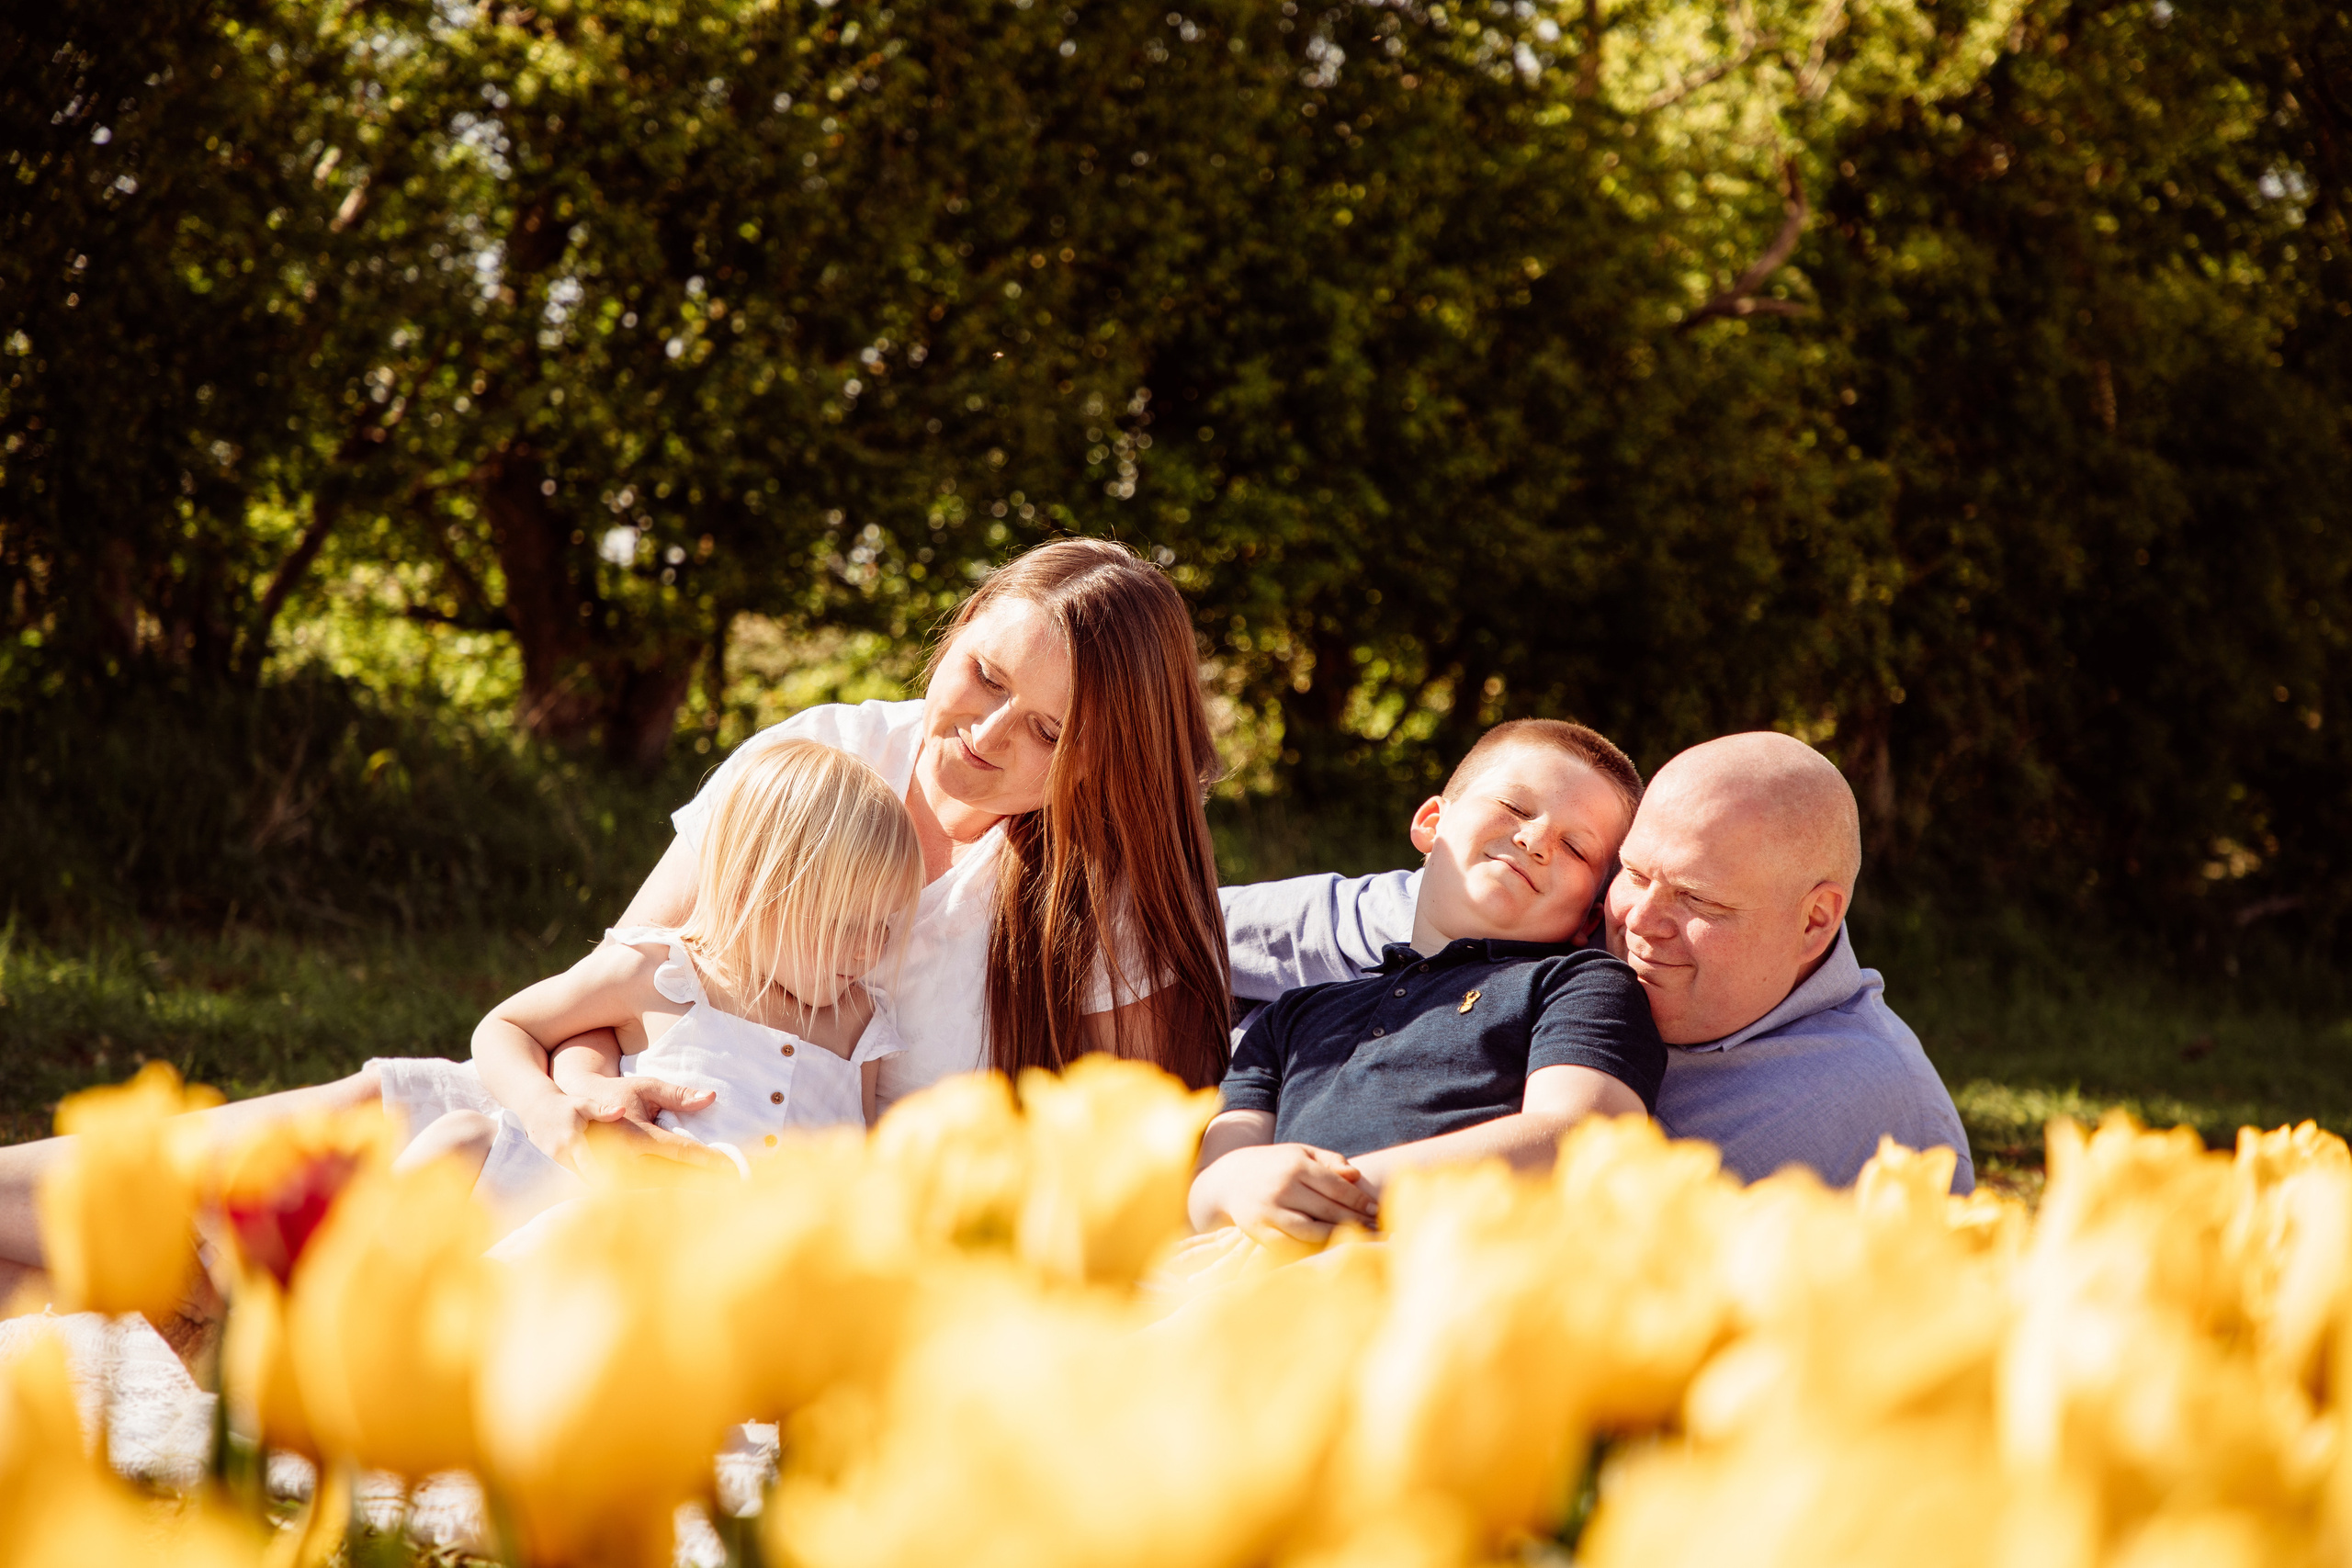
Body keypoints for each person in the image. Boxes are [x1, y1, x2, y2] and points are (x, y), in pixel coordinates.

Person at [0, 537, 1233, 1296]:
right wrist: (587, 1101)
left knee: (116, 1247)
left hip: (728, 1251)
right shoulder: (815, 755)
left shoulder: (1094, 903)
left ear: (1104, 755)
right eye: (987, 674)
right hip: (546, 1136)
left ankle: (242, 1315)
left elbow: (1104, 1167)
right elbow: (612, 984)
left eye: (1048, 730)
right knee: (59, 1201)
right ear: (960, 628)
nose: (983, 733)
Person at [1221, 730, 1975, 1194]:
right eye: (1634, 874)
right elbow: (1232, 925)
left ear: (1814, 920)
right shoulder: (1555, 925)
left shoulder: (1878, 1110)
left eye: (1700, 903)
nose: (1638, 923)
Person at [389, 739, 925, 1223]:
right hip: (590, 1203)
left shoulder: (859, 1027)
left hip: (718, 1255)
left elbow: (862, 1156)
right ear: (752, 893)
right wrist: (541, 1105)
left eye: (883, 925)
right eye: (844, 924)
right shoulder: (665, 972)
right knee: (458, 1143)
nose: (869, 948)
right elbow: (506, 1026)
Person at [1191, 720, 1665, 1242]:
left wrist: (1334, 1195)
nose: (1534, 840)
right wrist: (1239, 1184)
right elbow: (1212, 1185)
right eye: (1514, 807)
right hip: (1254, 1275)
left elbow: (1583, 1138)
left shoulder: (1581, 985)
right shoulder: (1296, 1014)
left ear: (1588, 920)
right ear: (1431, 822)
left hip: (1442, 1267)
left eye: (1576, 848)